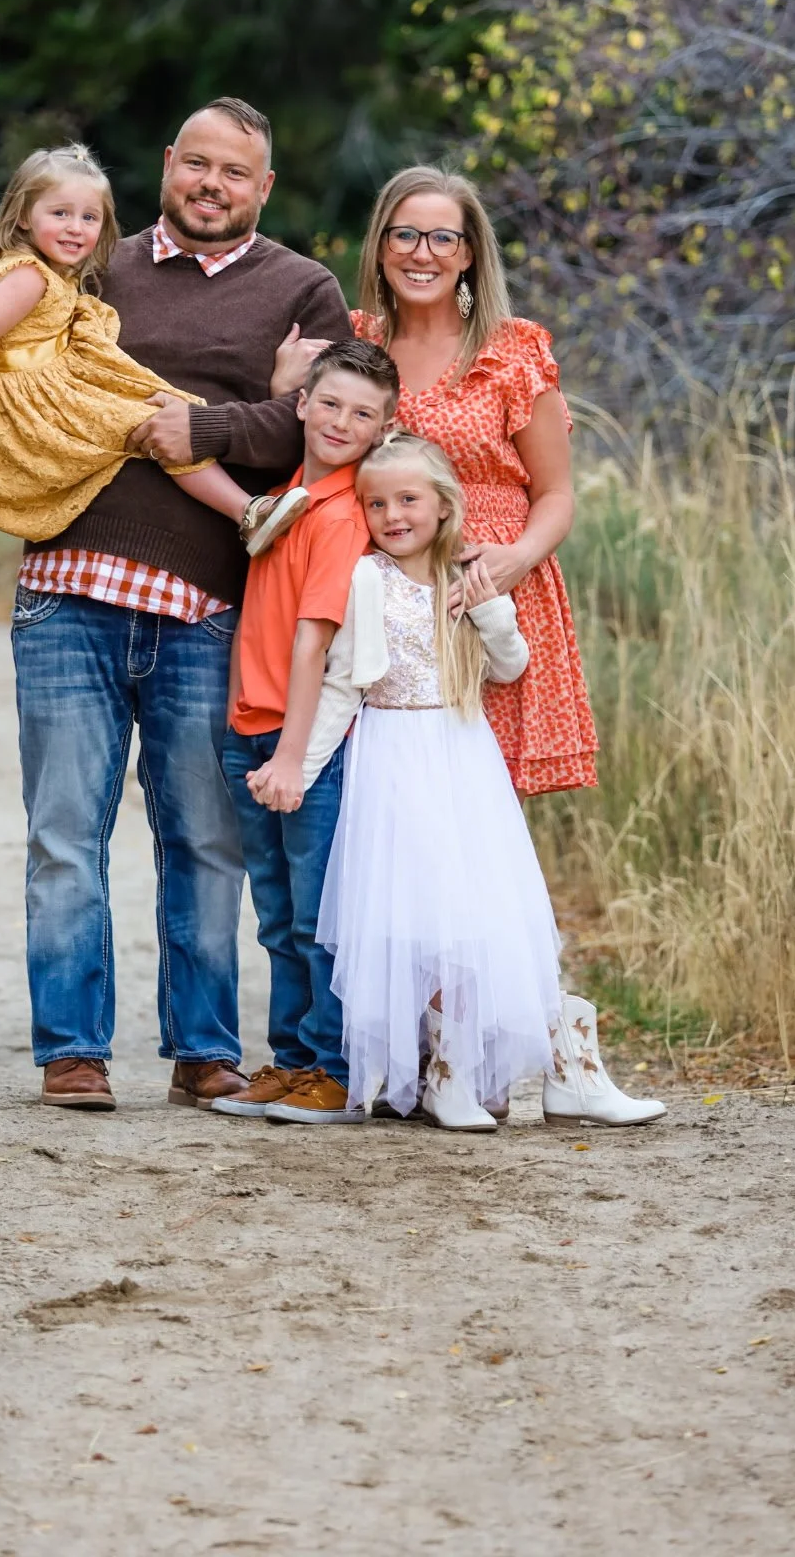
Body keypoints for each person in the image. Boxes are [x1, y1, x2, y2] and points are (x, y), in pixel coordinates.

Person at [274, 163, 664, 1127]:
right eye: (405, 235)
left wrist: (507, 566)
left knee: (484, 842)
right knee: (407, 838)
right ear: (379, 247)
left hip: (488, 595)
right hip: (388, 611)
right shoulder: (354, 347)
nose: (422, 254)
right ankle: (432, 1057)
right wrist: (285, 387)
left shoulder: (512, 352)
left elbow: (557, 493)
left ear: (470, 255)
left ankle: (549, 1047)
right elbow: (323, 445)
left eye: (443, 238)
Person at [6, 99, 352, 1111]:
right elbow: (29, 371)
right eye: (195, 164)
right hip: (67, 590)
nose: (212, 183)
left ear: (264, 186)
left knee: (206, 834)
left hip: (210, 606)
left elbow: (324, 422)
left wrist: (205, 423)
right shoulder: (91, 260)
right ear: (166, 165)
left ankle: (203, 1047)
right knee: (64, 831)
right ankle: (73, 1048)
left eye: (234, 172)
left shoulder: (303, 288)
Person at [313, 432, 560, 1132]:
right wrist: (299, 770)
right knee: (408, 912)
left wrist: (486, 605)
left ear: (442, 504)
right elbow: (342, 683)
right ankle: (421, 1071)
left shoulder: (466, 574)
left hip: (460, 753)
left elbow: (509, 666)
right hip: (389, 754)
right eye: (376, 503)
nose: (392, 515)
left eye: (407, 499)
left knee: (469, 910)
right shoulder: (366, 577)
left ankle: (460, 1072)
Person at [0, 145, 308, 558]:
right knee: (158, 425)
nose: (76, 228)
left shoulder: (46, 273)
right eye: (60, 214)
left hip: (57, 385)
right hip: (42, 396)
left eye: (89, 217)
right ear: (23, 216)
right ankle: (246, 512)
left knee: (164, 416)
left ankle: (246, 511)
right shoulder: (29, 276)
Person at [210, 338, 402, 1127]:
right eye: (328, 403)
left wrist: (291, 754)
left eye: (361, 414)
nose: (339, 422)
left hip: (301, 749)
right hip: (249, 729)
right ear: (301, 404)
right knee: (277, 915)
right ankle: (290, 1063)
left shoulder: (343, 515)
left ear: (382, 430)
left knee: (318, 918)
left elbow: (315, 640)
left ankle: (333, 1068)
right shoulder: (289, 496)